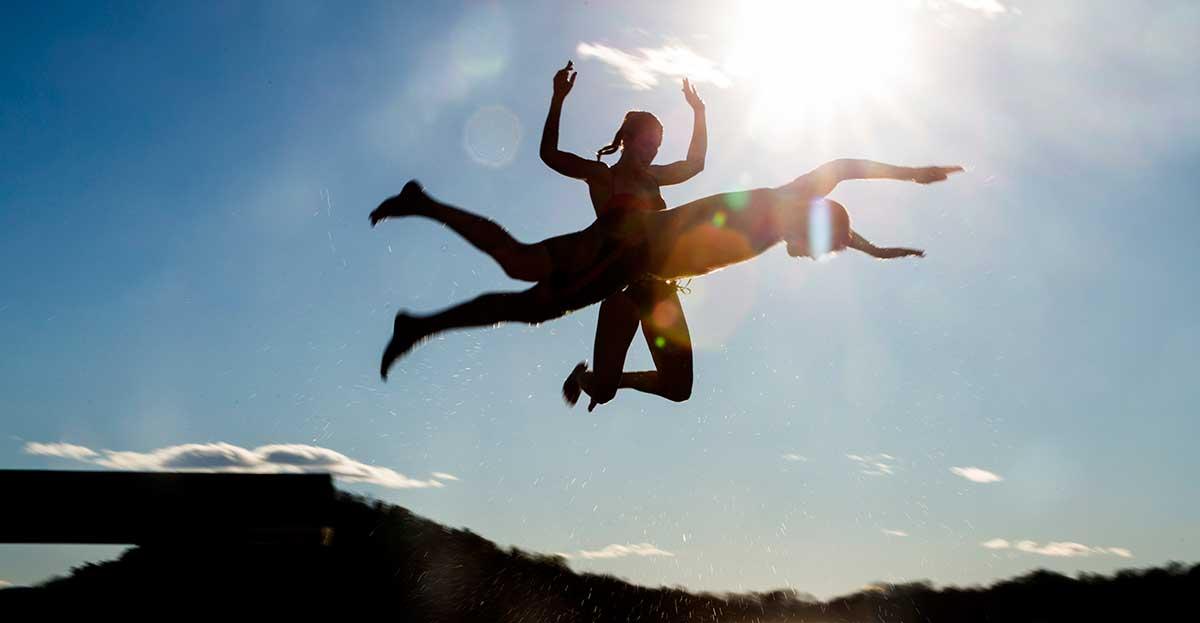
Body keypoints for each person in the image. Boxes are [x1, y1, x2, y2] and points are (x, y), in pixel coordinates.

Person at [370, 160, 962, 381]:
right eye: (820, 248)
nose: (808, 258)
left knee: (524, 283)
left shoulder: (788, 221)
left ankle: (419, 304)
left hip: (636, 263)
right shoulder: (784, 202)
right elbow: (845, 165)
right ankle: (420, 272)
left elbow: (838, 224)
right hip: (628, 248)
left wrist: (874, 249)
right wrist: (914, 174)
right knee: (525, 278)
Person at [536, 61, 706, 411]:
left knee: (678, 387)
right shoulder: (603, 177)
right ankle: (587, 378)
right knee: (602, 392)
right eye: (647, 143)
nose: (653, 151)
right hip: (622, 287)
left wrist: (699, 111)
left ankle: (613, 379)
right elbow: (549, 155)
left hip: (659, 287)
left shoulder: (654, 177)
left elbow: (695, 163)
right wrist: (557, 98)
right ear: (626, 140)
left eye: (658, 145)